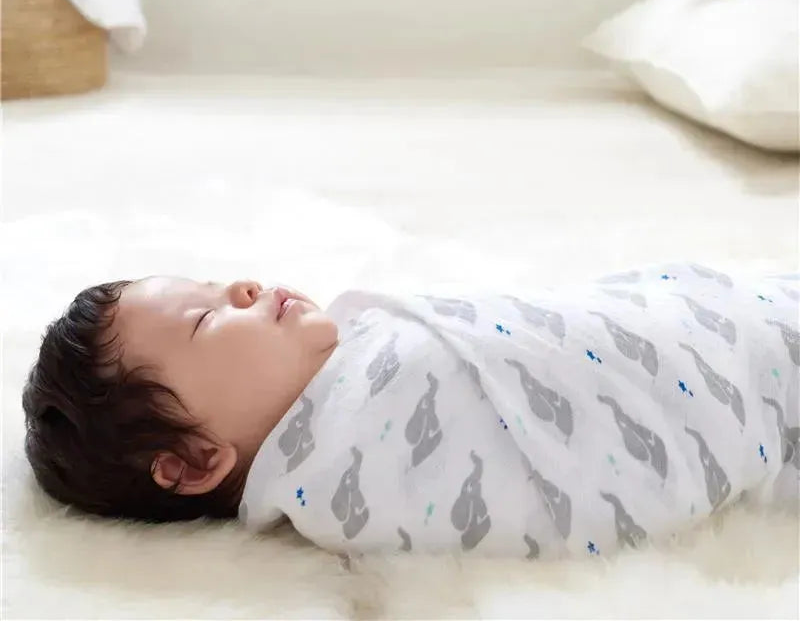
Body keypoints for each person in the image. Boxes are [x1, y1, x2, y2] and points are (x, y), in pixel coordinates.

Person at [23, 263, 799, 559]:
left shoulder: (356, 360)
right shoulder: (352, 475)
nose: (243, 287)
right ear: (195, 461)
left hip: (725, 314)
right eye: (206, 317)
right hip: (760, 384)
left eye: (215, 281)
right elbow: (571, 491)